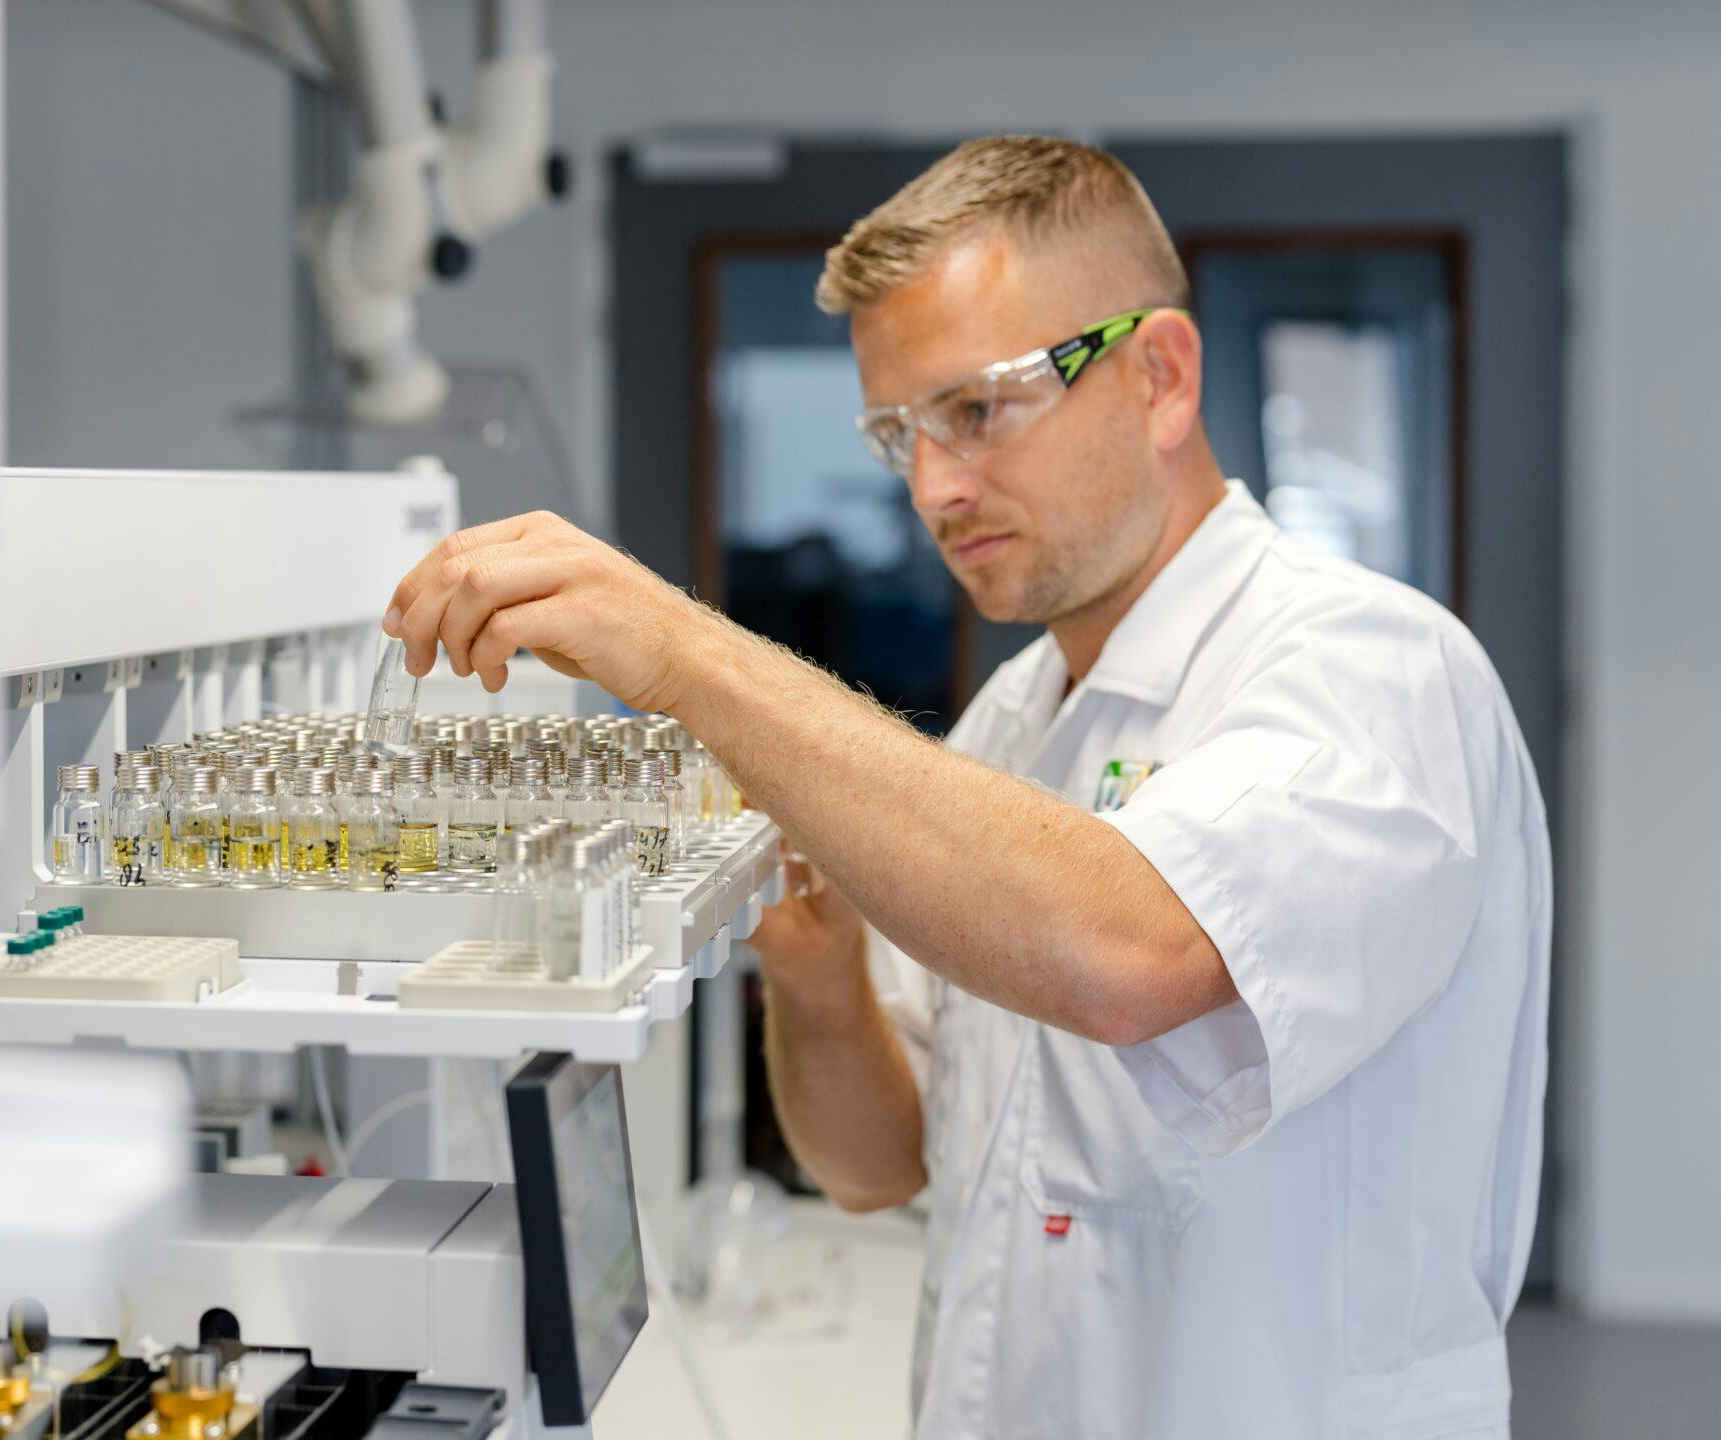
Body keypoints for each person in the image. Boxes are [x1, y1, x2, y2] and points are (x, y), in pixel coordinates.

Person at [381, 136, 1549, 1438]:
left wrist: (688, 653)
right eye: (901, 435)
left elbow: (1128, 952)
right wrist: (816, 967)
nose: (934, 489)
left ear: (1160, 376)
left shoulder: (1372, 671)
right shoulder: (1014, 720)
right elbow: (878, 1165)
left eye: (979, 411)